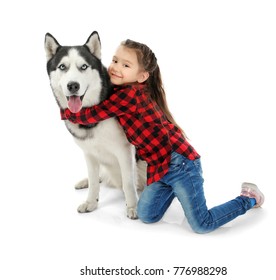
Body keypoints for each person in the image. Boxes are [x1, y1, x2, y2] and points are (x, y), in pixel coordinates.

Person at [61, 39, 264, 233]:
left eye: (125, 65)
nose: (115, 67)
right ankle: (174, 189)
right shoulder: (121, 91)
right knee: (146, 215)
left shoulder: (129, 95)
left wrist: (65, 109)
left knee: (202, 224)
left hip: (181, 164)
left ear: (141, 76)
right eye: (114, 61)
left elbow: (91, 115)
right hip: (159, 167)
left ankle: (248, 198)